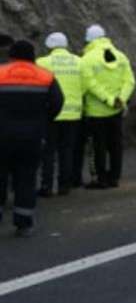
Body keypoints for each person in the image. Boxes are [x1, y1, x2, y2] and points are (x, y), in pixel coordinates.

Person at [0, 40, 64, 236]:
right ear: (33, 56)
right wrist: (43, 122)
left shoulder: (1, 73)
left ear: (11, 55)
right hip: (32, 136)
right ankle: (23, 222)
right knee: (26, 178)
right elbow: (57, 103)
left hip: (2, 135)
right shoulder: (45, 76)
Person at [80, 24, 135, 189]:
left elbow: (89, 83)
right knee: (115, 145)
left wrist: (108, 99)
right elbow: (130, 81)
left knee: (98, 146)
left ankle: (100, 179)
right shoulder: (121, 56)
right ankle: (114, 178)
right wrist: (120, 100)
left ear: (88, 40)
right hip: (116, 111)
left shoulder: (87, 59)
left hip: (96, 112)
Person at [36, 33, 83, 197]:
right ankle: (64, 185)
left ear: (49, 46)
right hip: (73, 113)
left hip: (50, 113)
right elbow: (84, 86)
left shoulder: (41, 62)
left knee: (48, 152)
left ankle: (46, 186)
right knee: (67, 150)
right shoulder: (79, 61)